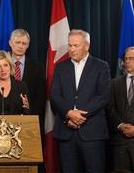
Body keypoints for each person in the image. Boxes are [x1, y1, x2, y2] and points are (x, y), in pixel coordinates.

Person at [50, 29, 111, 172]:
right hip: (66, 131)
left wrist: (78, 115)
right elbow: (55, 95)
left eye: (76, 45)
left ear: (86, 46)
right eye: (70, 45)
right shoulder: (60, 67)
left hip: (92, 131)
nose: (71, 49)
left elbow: (103, 96)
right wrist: (69, 113)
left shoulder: (101, 66)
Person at [107, 46, 134, 172]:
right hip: (120, 142)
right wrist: (120, 125)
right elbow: (110, 107)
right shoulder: (115, 83)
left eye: (131, 58)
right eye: (125, 58)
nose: (127, 61)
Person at [0, 50, 30, 115]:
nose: (3, 70)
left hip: (16, 124)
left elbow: (28, 113)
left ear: (10, 66)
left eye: (5, 65)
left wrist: (27, 108)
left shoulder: (21, 86)